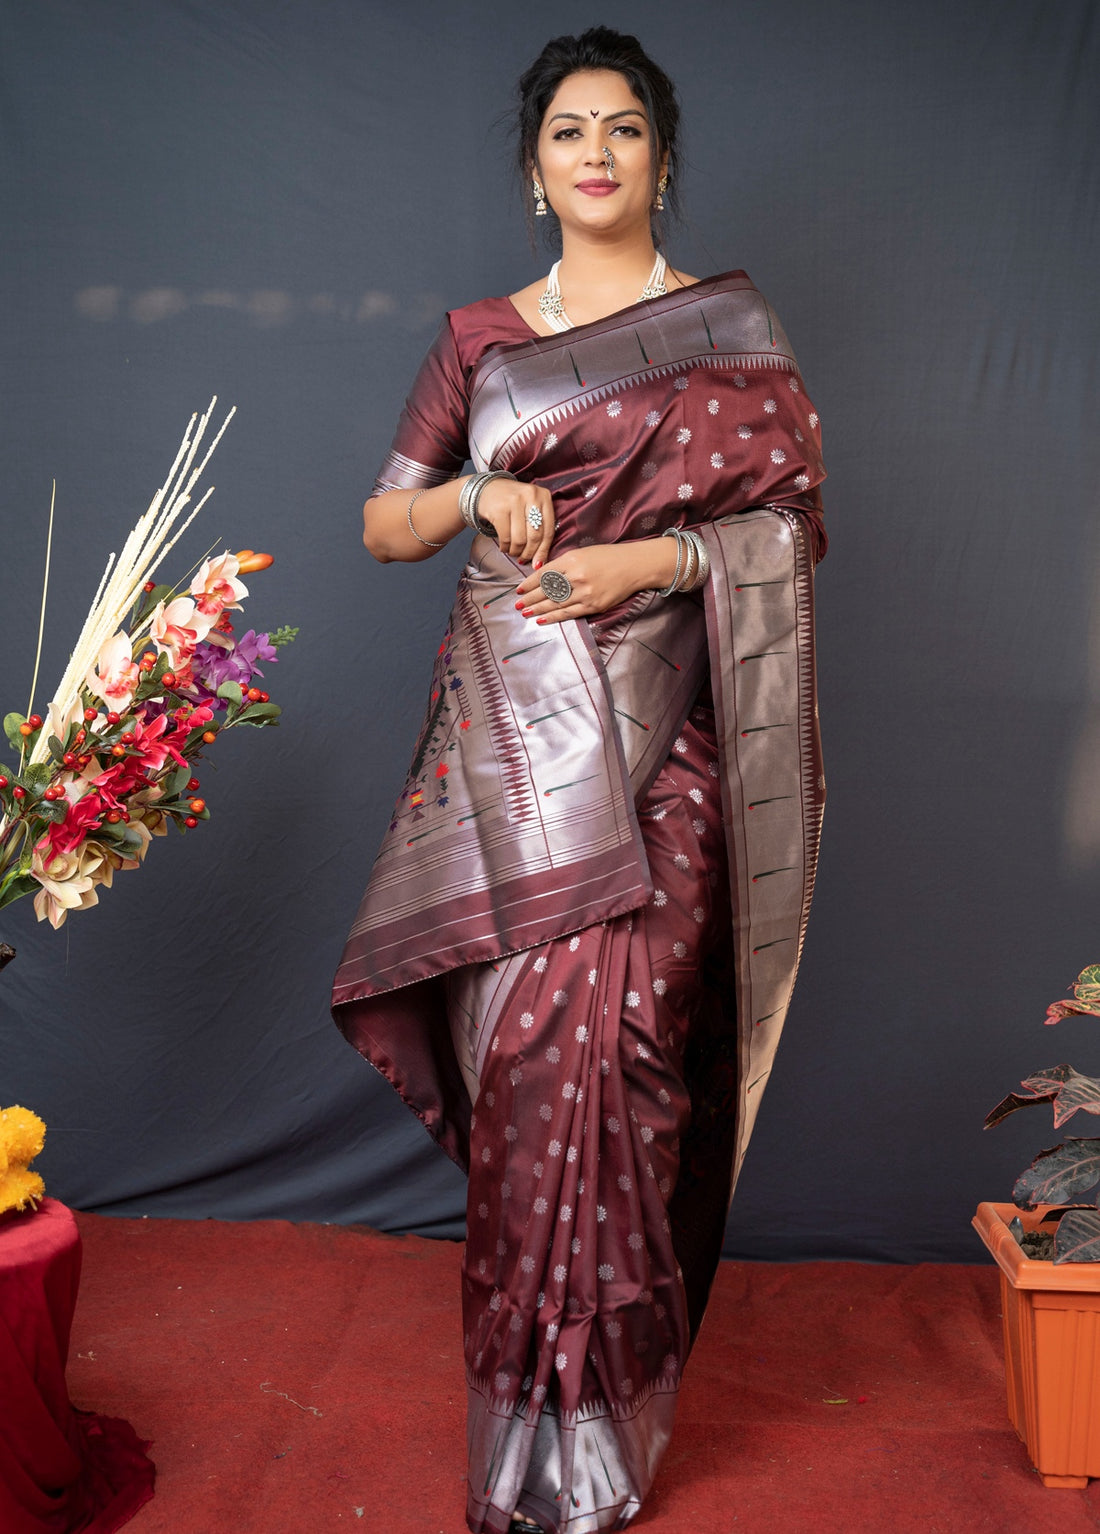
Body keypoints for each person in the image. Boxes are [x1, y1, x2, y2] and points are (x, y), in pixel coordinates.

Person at [332, 26, 826, 1534]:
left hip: (661, 758)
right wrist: (480, 492)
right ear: (536, 166)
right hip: (510, 765)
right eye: (568, 130)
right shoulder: (480, 338)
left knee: (626, 1061)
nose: (597, 152)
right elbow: (383, 525)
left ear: (662, 158)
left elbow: (792, 534)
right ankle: (517, 1442)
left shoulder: (733, 328)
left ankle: (606, 1435)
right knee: (529, 1072)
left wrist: (657, 557)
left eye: (624, 128)